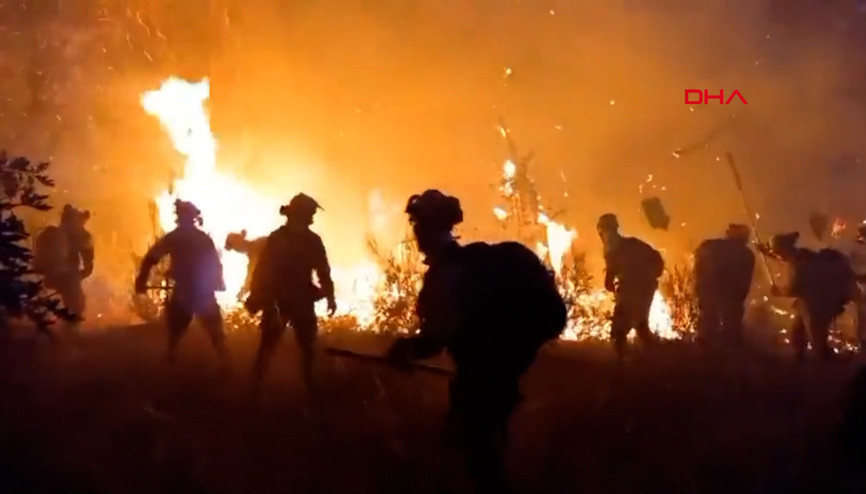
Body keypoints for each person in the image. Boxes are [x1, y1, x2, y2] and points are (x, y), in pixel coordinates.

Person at [386, 189, 566, 493]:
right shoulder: (478, 263)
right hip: (502, 369)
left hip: (483, 375)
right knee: (480, 441)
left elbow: (437, 337)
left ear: (424, 229)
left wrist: (406, 351)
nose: (416, 232)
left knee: (476, 449)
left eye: (418, 225)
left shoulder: (449, 275)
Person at [244, 193, 336, 393]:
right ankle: (256, 386)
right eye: (310, 213)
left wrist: (330, 295)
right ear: (301, 214)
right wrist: (257, 294)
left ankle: (307, 385)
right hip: (280, 300)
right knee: (271, 345)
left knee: (305, 347)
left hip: (295, 299)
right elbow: (264, 269)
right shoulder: (283, 239)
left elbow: (323, 270)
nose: (313, 216)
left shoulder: (307, 240)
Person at [134, 200, 229, 367]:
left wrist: (142, 279)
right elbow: (215, 264)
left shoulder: (175, 237)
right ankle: (225, 363)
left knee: (177, 329)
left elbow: (151, 258)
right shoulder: (202, 238)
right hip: (201, 292)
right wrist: (217, 283)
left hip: (186, 291)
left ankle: (172, 357)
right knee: (213, 331)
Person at [763, 232, 856, 361]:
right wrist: (767, 252)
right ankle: (800, 356)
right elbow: (783, 259)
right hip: (810, 301)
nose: (777, 255)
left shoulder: (799, 265)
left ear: (782, 250)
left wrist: (778, 291)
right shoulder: (803, 256)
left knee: (817, 339)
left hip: (818, 304)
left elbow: (795, 288)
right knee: (798, 330)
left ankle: (829, 369)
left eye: (777, 252)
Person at [597, 213, 664, 358]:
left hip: (637, 288)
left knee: (619, 331)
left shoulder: (615, 247)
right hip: (643, 287)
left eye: (603, 230)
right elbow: (657, 260)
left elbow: (609, 279)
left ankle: (624, 367)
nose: (602, 235)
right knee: (640, 326)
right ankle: (654, 359)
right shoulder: (627, 244)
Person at [33, 204, 94, 329]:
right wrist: (82, 272)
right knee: (76, 306)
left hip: (53, 277)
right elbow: (88, 260)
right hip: (67, 277)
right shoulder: (76, 235)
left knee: (68, 304)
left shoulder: (50, 234)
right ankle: (69, 333)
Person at [694, 224, 756, 346]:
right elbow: (745, 281)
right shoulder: (747, 254)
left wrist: (699, 290)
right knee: (731, 327)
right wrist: (740, 298)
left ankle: (706, 352)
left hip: (708, 291)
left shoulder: (708, 246)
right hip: (730, 296)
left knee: (708, 323)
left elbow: (697, 269)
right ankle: (729, 352)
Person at [224, 230, 267, 298]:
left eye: (234, 248)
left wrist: (242, 292)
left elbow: (250, 278)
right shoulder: (261, 242)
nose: (236, 250)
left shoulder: (257, 248)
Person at [850, 225, 866, 350]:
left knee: (861, 313)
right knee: (861, 313)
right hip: (860, 282)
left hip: (859, 281)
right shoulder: (855, 247)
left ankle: (861, 339)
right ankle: (861, 340)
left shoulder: (855, 247)